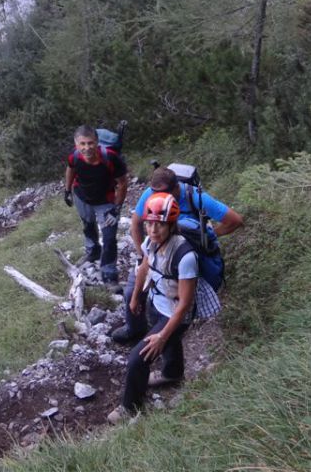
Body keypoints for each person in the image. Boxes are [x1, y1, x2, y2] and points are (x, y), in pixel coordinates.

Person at [111, 166, 243, 344]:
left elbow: (235, 220)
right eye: (154, 192)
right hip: (154, 252)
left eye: (163, 193)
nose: (156, 197)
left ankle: (168, 336)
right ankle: (134, 329)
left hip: (183, 258)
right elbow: (136, 223)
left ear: (176, 188)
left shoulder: (195, 197)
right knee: (131, 293)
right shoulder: (151, 193)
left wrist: (209, 237)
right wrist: (142, 254)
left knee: (178, 300)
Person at [107, 192, 196, 423]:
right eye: (149, 224)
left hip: (176, 313)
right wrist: (135, 297)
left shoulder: (185, 256)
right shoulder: (150, 243)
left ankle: (130, 407)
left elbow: (185, 303)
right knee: (171, 343)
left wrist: (162, 336)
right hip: (158, 303)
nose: (153, 230)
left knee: (138, 358)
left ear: (171, 225)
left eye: (160, 225)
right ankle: (172, 374)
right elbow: (144, 269)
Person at [64, 125, 128, 284]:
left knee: (109, 237)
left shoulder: (111, 158)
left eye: (91, 143)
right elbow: (70, 169)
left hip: (106, 201)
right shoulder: (74, 156)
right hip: (82, 196)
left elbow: (122, 184)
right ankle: (93, 251)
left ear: (97, 142)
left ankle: (109, 272)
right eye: (82, 144)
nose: (87, 148)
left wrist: (116, 209)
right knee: (87, 224)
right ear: (76, 144)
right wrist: (67, 190)